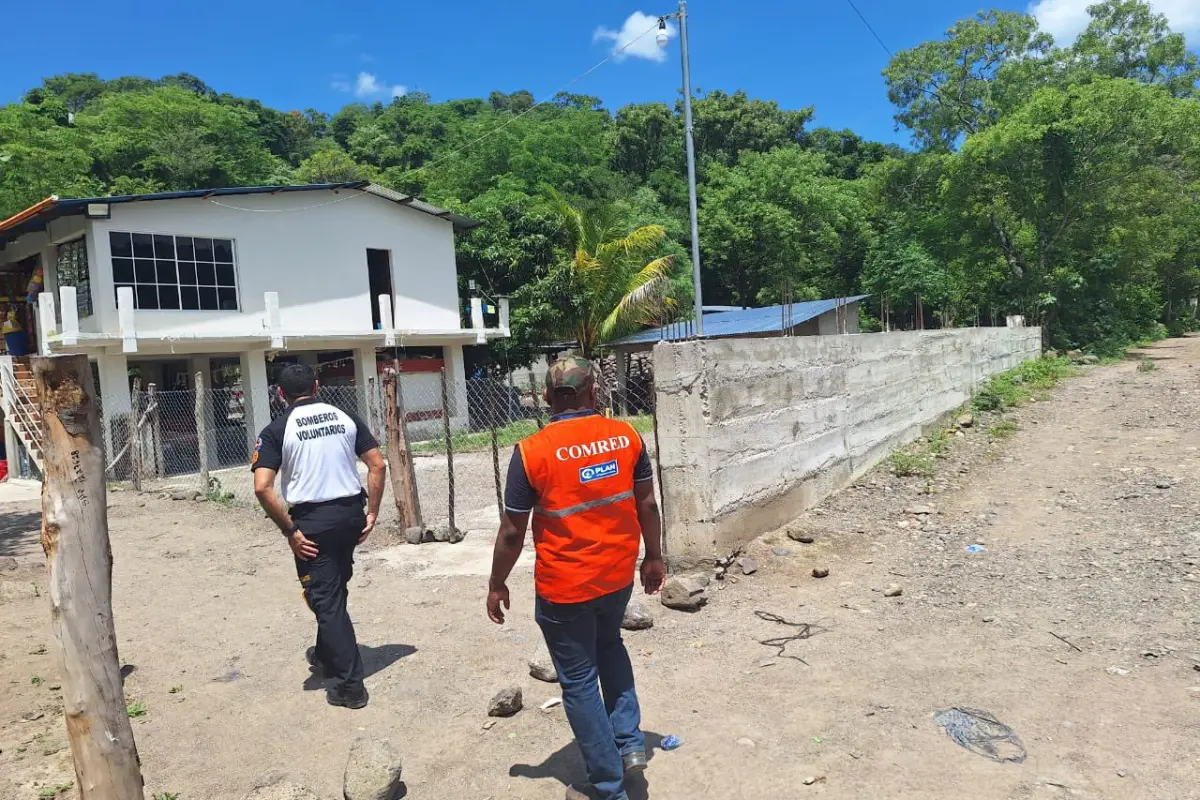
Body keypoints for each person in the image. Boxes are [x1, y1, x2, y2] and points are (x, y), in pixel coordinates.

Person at [487, 356, 666, 800]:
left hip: (565, 588)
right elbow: (647, 505)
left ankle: (608, 786)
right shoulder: (626, 436)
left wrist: (496, 584)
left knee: (580, 679)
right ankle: (628, 746)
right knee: (610, 647)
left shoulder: (531, 453)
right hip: (617, 575)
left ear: (547, 397)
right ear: (595, 393)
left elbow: (512, 531)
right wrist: (654, 556)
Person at [251, 363, 387, 709]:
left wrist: (290, 531)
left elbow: (262, 487)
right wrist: (371, 512)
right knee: (334, 589)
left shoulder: (277, 429)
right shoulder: (345, 417)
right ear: (317, 385)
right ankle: (326, 655)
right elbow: (378, 464)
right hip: (349, 516)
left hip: (313, 524)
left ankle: (349, 686)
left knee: (326, 602)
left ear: (280, 394)